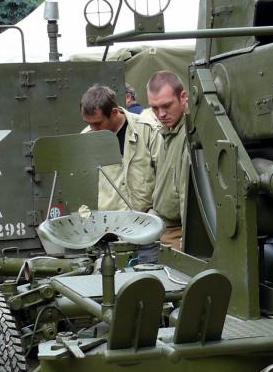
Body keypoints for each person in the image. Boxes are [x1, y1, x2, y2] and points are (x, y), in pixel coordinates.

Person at [81, 84, 158, 212]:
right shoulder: (85, 139)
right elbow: (82, 188)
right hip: (107, 224)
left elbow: (163, 177)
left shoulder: (147, 130)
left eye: (98, 123)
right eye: (89, 123)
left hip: (146, 220)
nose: (93, 129)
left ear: (114, 112)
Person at [145, 71, 191, 249]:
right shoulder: (165, 132)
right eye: (155, 108)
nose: (161, 114)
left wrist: (186, 245)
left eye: (166, 105)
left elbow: (186, 199)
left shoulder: (189, 136)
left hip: (177, 233)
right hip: (160, 227)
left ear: (183, 97)